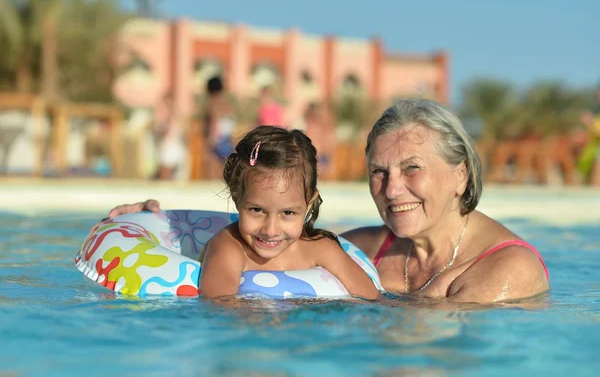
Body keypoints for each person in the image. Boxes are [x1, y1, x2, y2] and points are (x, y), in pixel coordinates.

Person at [107, 99, 549, 304]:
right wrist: (158, 223)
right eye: (379, 171)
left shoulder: (508, 270)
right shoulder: (367, 246)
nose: (392, 189)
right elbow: (270, 231)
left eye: (411, 168)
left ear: (461, 175)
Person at [200, 125, 378, 299]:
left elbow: (371, 300)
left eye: (287, 213)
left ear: (308, 205)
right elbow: (220, 306)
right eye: (257, 210)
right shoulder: (229, 248)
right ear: (237, 198)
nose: (270, 230)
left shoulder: (319, 249)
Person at [204, 76, 237, 180]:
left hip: (217, 139)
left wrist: (210, 140)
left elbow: (214, 121)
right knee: (226, 172)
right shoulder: (227, 104)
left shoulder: (213, 103)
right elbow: (232, 122)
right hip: (228, 139)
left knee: (213, 171)